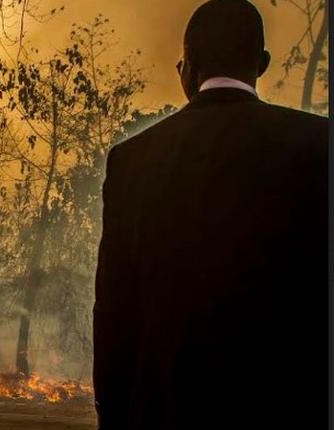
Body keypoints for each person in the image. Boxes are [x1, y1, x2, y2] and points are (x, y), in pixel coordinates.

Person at [93, 1, 327, 429]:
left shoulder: (133, 161)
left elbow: (114, 312)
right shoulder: (318, 147)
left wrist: (113, 417)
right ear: (262, 64)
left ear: (188, 68)